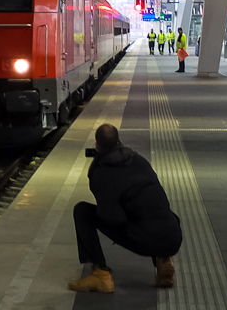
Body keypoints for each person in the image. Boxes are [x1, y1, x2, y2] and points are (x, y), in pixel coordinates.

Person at [68, 124, 183, 293]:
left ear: (96, 145)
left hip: (147, 239)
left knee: (82, 211)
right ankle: (164, 260)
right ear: (118, 141)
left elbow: (113, 218)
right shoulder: (138, 159)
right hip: (173, 237)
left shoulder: (103, 172)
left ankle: (101, 276)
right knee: (150, 210)